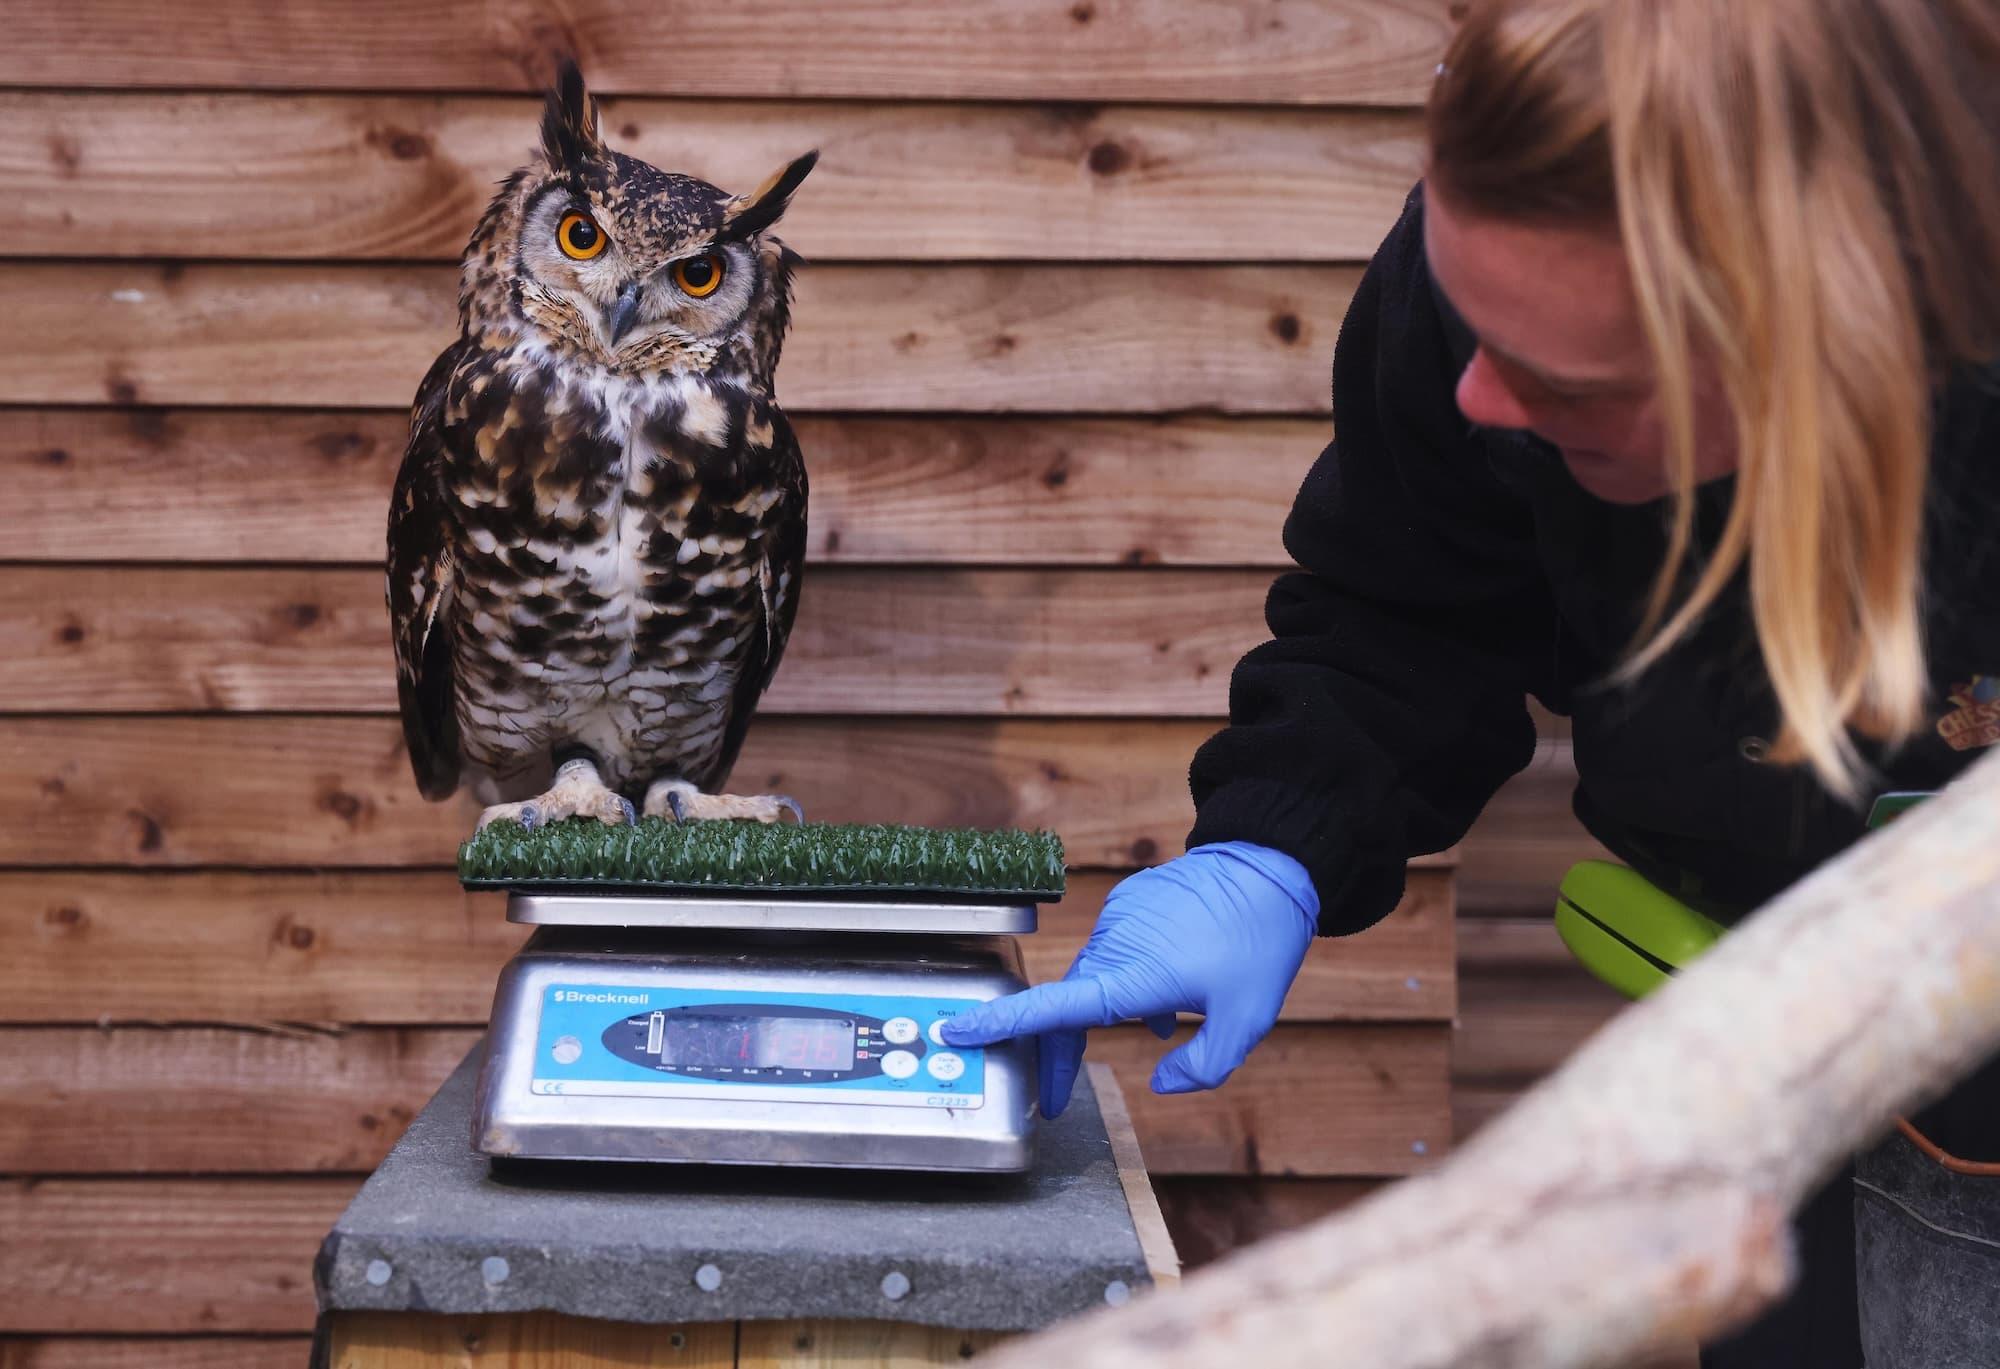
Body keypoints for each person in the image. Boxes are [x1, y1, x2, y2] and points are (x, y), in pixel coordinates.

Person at [941, 1, 2000, 1363]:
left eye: (1566, 383)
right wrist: (1272, 842)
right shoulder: (1509, 252)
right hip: (1779, 1059)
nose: (1483, 401)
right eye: (1469, 322)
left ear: (1826, 335)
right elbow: (1411, 602)